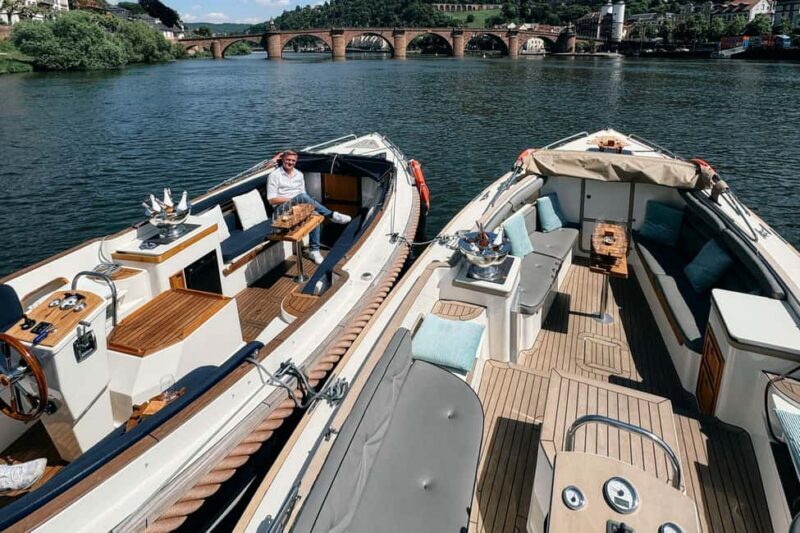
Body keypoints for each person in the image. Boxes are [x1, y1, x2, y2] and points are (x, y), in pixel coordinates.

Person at [266, 150, 351, 265]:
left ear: (296, 162)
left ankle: (314, 251)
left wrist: (301, 203)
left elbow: (304, 195)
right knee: (302, 197)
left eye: (293, 161)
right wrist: (294, 199)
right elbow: (271, 200)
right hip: (281, 210)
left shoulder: (299, 174)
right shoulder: (274, 175)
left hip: (298, 206)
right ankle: (331, 215)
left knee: (315, 214)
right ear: (283, 160)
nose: (290, 162)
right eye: (288, 160)